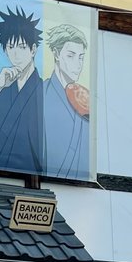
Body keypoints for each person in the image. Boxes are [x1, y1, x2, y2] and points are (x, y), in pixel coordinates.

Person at [0, 5, 44, 173]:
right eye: (10, 47)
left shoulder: (44, 89)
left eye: (22, 47)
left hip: (32, 171)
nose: (16, 54)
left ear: (33, 50)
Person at [42, 22, 90, 179]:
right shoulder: (40, 93)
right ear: (56, 53)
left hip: (81, 185)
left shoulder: (86, 100)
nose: (78, 64)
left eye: (81, 57)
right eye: (70, 56)